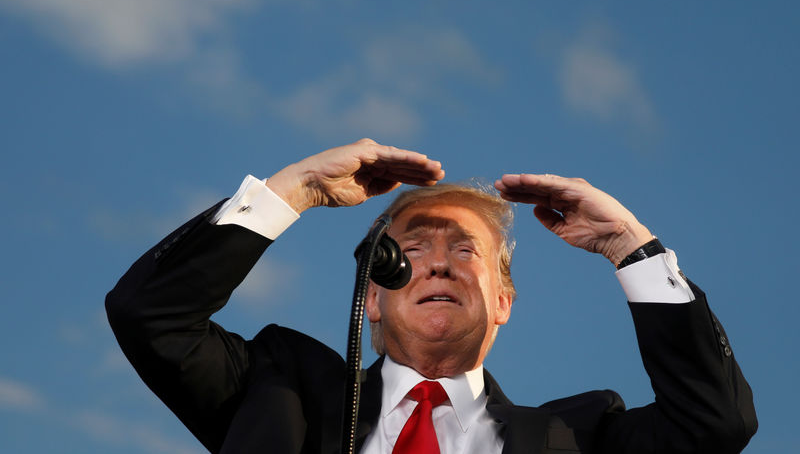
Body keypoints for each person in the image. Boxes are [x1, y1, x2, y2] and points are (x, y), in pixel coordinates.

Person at [106, 138, 757, 454]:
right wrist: (293, 188)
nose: (439, 262)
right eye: (412, 250)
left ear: (504, 301)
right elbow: (150, 312)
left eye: (465, 251)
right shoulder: (278, 392)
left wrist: (628, 244)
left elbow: (715, 423)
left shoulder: (578, 435)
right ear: (373, 296)